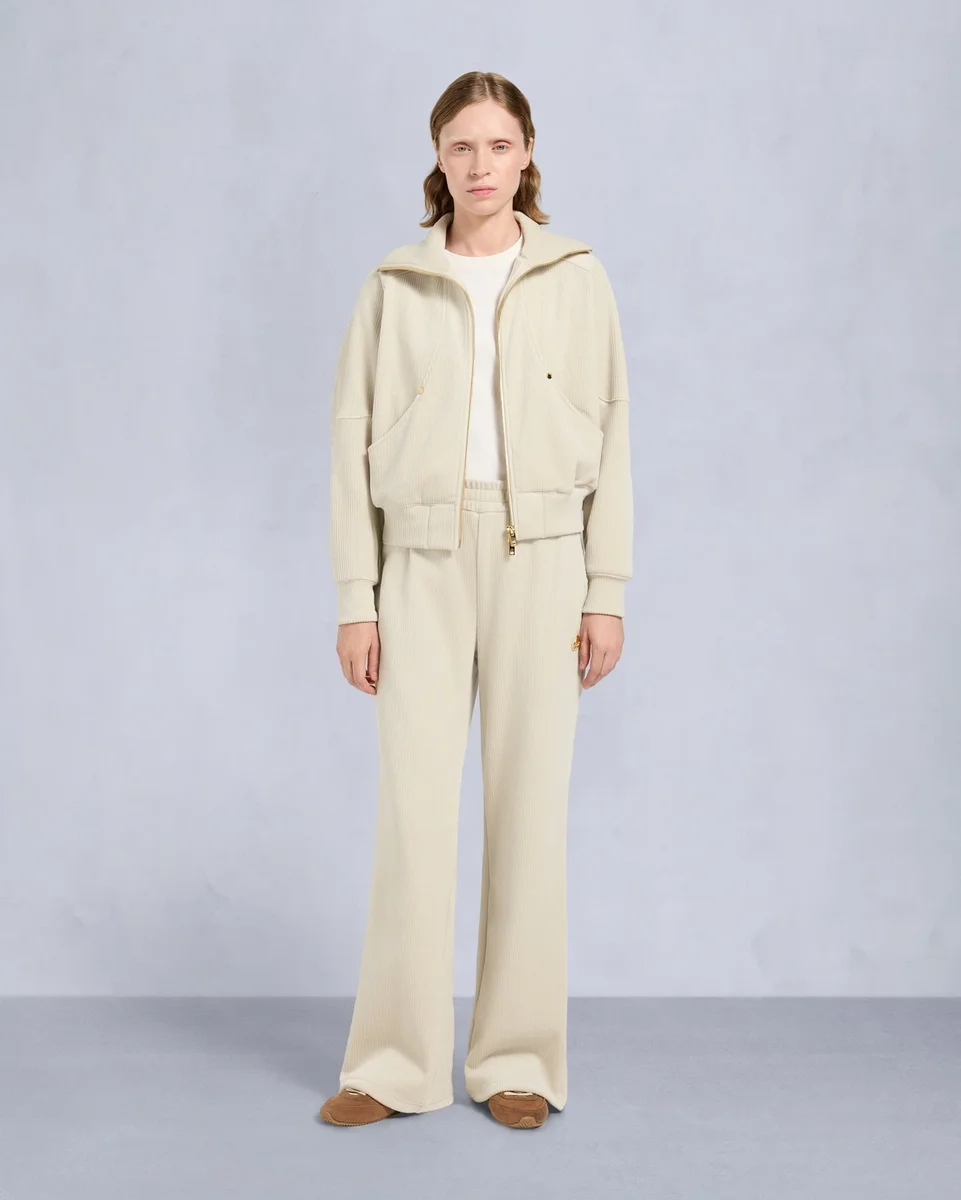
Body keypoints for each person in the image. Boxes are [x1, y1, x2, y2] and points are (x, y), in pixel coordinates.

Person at [320, 70, 633, 1131]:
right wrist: (356, 598)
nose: (481, 165)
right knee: (412, 815)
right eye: (462, 146)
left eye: (499, 145)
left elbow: (615, 432)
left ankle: (516, 1063)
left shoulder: (577, 278)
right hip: (419, 560)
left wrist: (605, 589)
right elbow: (349, 442)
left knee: (529, 812)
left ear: (526, 153)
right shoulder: (395, 284)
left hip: (543, 557)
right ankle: (392, 1065)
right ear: (438, 157)